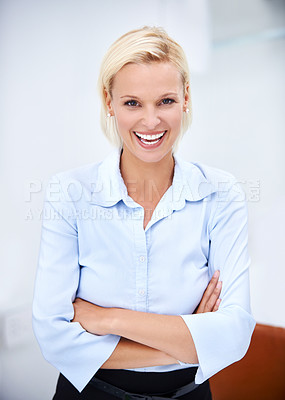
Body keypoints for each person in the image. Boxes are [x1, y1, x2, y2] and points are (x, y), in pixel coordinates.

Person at [32, 26, 256, 400]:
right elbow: (54, 338)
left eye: (165, 101)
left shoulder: (221, 193)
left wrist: (109, 319)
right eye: (132, 103)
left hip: (189, 394)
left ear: (186, 98)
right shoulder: (69, 194)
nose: (151, 122)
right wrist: (191, 340)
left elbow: (233, 336)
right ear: (109, 102)